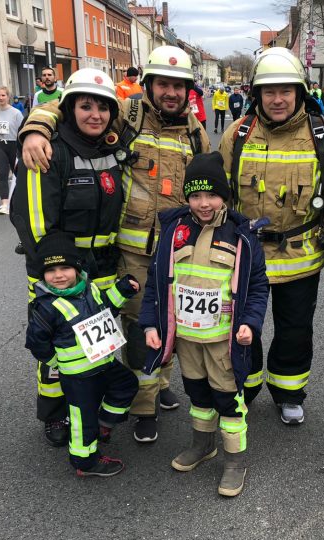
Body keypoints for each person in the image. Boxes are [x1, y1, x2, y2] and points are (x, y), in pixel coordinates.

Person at [19, 46, 211, 443]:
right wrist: (35, 126)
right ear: (149, 85)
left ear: (188, 90)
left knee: (159, 326)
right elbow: (74, 104)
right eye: (163, 84)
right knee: (113, 331)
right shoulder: (128, 115)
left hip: (167, 254)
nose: (171, 92)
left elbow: (206, 188)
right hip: (125, 252)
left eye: (178, 85)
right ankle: (104, 410)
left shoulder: (196, 133)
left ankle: (151, 388)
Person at [219, 47, 324, 425]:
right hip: (246, 258)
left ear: (300, 92)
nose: (278, 99)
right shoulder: (238, 134)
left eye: (286, 90)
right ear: (256, 94)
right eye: (269, 91)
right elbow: (221, 197)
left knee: (295, 330)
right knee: (242, 329)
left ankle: (288, 392)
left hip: (301, 257)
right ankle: (243, 390)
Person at [11, 68, 128, 447]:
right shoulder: (48, 151)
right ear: (69, 109)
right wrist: (62, 274)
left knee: (96, 349)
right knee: (56, 355)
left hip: (104, 269)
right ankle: (55, 415)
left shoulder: (112, 146)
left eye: (102, 107)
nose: (95, 114)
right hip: (59, 274)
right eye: (85, 106)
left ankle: (87, 409)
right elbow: (35, 224)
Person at [140, 152, 269, 496]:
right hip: (186, 340)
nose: (203, 203)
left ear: (223, 196)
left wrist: (251, 324)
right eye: (195, 195)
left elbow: (257, 287)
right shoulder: (173, 232)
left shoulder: (242, 237)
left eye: (211, 195)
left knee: (227, 399)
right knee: (197, 395)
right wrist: (151, 325)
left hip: (223, 342)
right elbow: (157, 284)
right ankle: (203, 444)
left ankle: (234, 460)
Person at [26, 232, 140, 477]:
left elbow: (107, 308)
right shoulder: (46, 306)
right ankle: (85, 462)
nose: (58, 275)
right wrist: (57, 363)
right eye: (50, 270)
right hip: (78, 376)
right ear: (42, 275)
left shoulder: (90, 289)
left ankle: (104, 424)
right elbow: (36, 342)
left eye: (65, 267)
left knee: (127, 384)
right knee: (81, 420)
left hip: (104, 363)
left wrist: (123, 289)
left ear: (77, 268)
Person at [0, 86, 24, 215]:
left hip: (14, 145)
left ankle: (18, 201)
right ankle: (4, 203)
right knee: (2, 175)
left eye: (3, 95)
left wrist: (23, 150)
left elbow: (22, 132)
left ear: (8, 97)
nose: (1, 98)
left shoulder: (16, 113)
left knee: (17, 175)